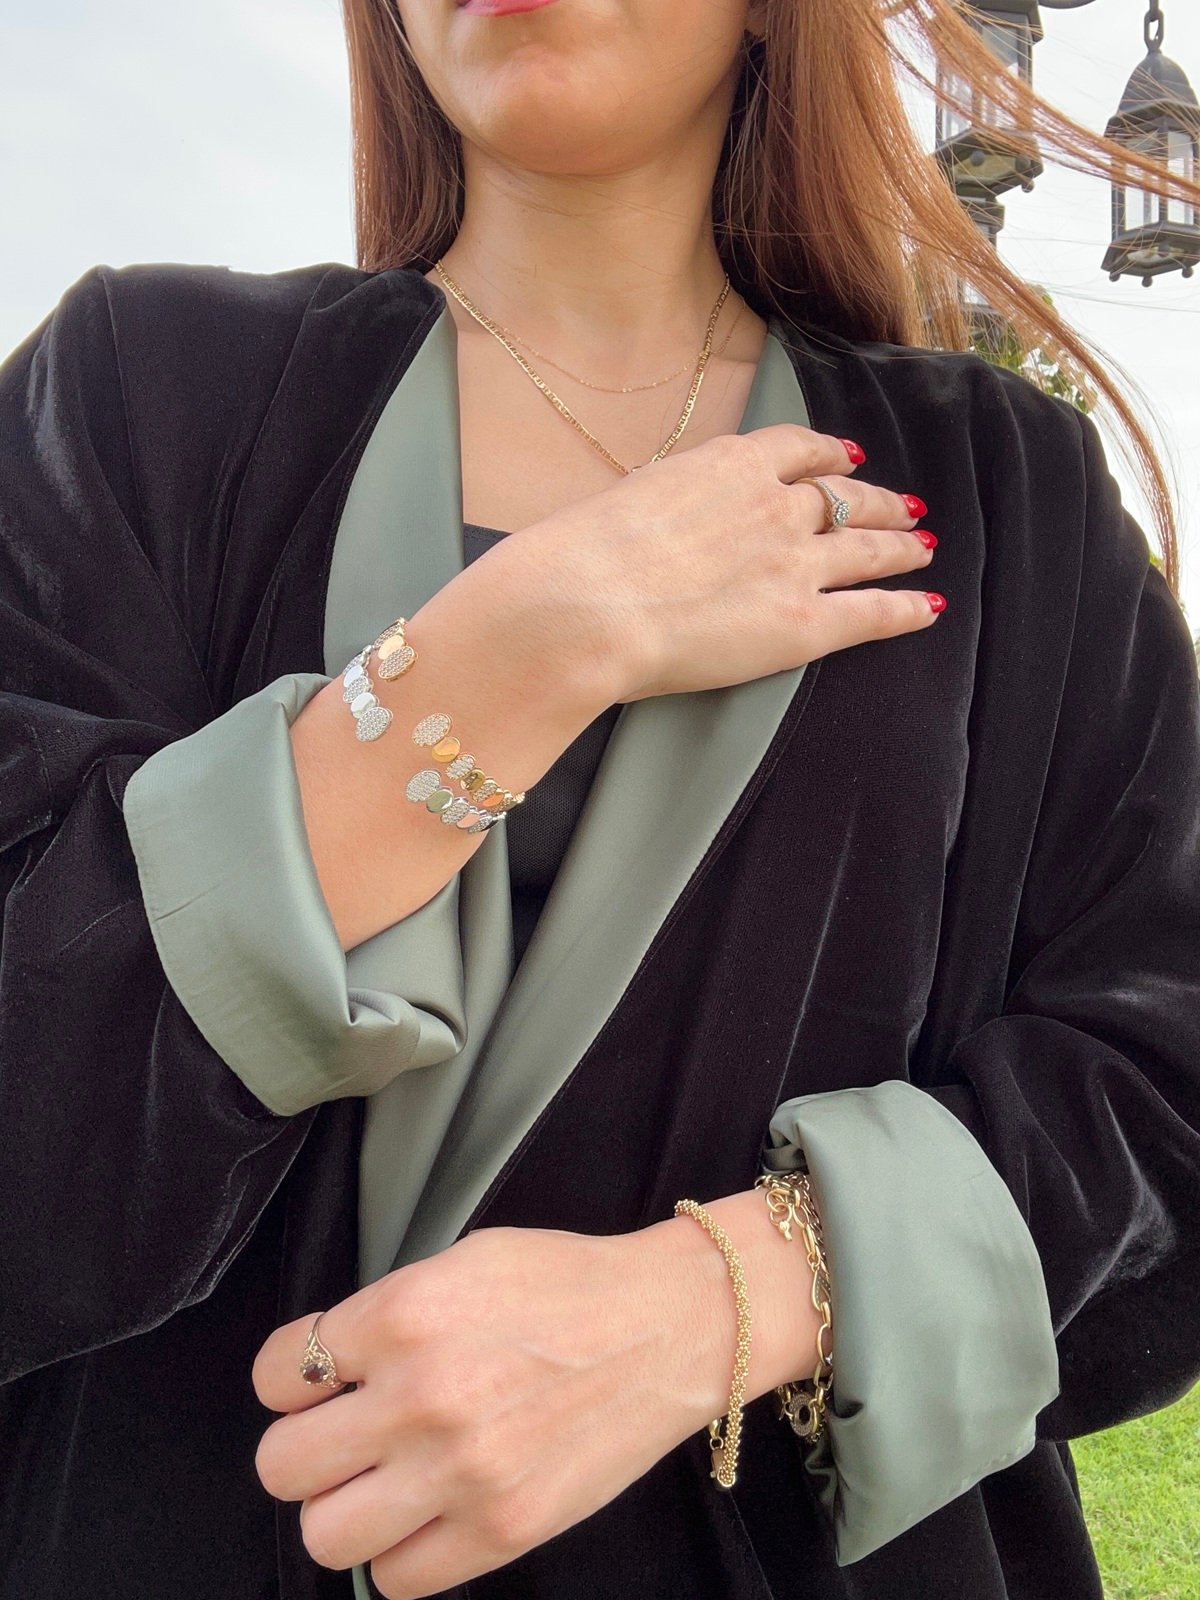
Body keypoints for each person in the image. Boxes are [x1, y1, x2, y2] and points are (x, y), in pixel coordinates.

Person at [1, 1, 1198, 1597]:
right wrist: (514, 654)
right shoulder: (137, 391)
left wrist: (718, 1303)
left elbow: (1166, 1082)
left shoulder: (1003, 491)